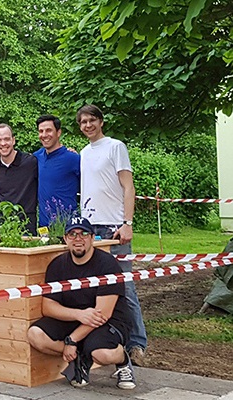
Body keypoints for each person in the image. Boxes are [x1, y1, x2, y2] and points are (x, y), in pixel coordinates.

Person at [26, 217, 136, 390]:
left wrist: (71, 340)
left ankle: (123, 361)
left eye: (84, 234)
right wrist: (78, 315)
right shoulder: (57, 265)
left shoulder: (107, 264)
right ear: (65, 239)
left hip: (109, 320)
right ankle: (80, 358)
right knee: (35, 335)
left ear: (92, 238)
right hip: (78, 318)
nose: (78, 239)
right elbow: (48, 307)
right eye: (73, 234)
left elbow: (103, 314)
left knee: (101, 354)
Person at [77, 104, 147, 366]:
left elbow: (128, 187)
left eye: (92, 120)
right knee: (93, 288)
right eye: (83, 122)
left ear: (101, 122)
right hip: (90, 229)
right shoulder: (84, 153)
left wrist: (127, 222)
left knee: (124, 287)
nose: (87, 125)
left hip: (113, 227)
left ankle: (137, 344)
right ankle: (103, 341)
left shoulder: (116, 147)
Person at [0, 124, 38, 234]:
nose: (3, 143)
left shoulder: (31, 162)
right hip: (2, 225)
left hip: (27, 224)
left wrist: (68, 151)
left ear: (13, 140)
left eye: (7, 139)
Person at [34, 115, 80, 228]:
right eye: (41, 131)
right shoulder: (36, 157)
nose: (44, 135)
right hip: (43, 227)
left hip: (68, 226)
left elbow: (89, 187)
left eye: (49, 130)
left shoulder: (73, 158)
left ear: (58, 132)